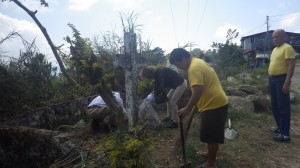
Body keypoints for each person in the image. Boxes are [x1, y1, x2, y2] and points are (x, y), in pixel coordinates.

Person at [169, 48, 228, 168]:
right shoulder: (197, 61)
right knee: (209, 134)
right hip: (213, 103)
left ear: (183, 59)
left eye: (178, 64)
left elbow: (198, 90)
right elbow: (202, 87)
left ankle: (210, 164)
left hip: (214, 105)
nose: (179, 67)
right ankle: (209, 153)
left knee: (211, 136)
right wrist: (196, 105)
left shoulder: (193, 68)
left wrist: (187, 108)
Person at [268, 29, 295, 143]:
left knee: (283, 107)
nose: (274, 39)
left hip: (281, 79)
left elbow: (291, 66)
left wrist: (287, 82)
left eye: (277, 37)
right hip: (272, 79)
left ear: (283, 37)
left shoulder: (287, 48)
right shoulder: (274, 49)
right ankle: (280, 127)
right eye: (273, 37)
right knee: (275, 106)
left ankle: (285, 135)